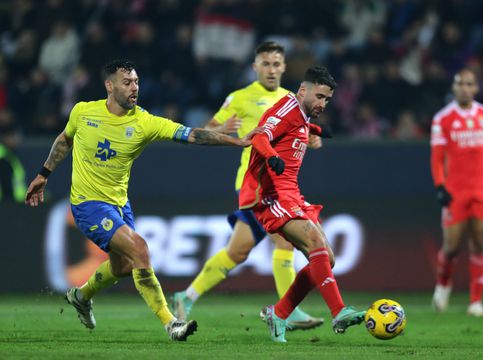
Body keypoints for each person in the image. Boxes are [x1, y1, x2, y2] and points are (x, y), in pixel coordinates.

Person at [25, 59, 258, 341]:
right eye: (127, 82)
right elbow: (64, 140)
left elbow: (193, 135)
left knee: (123, 266)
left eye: (136, 81)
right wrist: (44, 173)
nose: (134, 87)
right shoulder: (83, 112)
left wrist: (237, 141)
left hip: (119, 204)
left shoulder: (145, 122)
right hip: (87, 204)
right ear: (109, 86)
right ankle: (171, 323)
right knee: (140, 250)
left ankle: (81, 295)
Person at [173, 41, 323, 330]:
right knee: (284, 240)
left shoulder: (293, 99)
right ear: (255, 67)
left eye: (276, 63)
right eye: (265, 63)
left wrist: (311, 139)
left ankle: (186, 296)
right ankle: (288, 311)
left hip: (281, 186)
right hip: (255, 184)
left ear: (283, 67)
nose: (271, 69)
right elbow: (206, 130)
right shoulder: (240, 97)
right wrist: (222, 129)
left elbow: (299, 134)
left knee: (237, 251)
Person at [240, 65, 366, 343]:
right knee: (314, 242)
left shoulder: (301, 113)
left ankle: (279, 313)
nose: (322, 103)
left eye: (327, 100)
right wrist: (271, 156)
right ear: (303, 90)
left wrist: (317, 129)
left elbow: (298, 124)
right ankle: (339, 312)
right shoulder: (285, 109)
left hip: (291, 193)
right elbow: (260, 136)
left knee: (327, 259)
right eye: (319, 97)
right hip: (269, 194)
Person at [430, 69, 483, 317]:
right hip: (456, 189)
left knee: (480, 242)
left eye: (469, 84)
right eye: (460, 83)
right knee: (451, 246)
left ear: (476, 88)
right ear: (454, 88)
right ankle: (443, 286)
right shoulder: (443, 118)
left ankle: (475, 302)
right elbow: (437, 157)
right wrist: (440, 186)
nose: (464, 87)